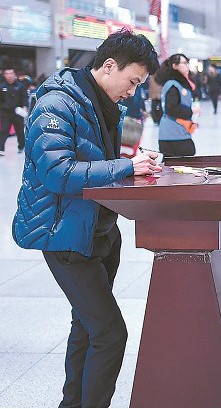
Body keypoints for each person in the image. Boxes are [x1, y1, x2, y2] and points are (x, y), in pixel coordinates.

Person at [12, 29, 160, 407]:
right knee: (110, 334)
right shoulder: (56, 104)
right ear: (109, 66)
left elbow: (102, 160)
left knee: (86, 327)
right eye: (132, 81)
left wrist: (132, 162)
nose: (133, 91)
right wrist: (124, 167)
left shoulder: (104, 105)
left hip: (100, 232)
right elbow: (58, 173)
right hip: (65, 234)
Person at [154, 53, 197, 156]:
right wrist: (191, 111)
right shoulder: (173, 85)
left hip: (177, 132)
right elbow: (171, 108)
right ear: (175, 66)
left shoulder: (179, 84)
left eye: (187, 63)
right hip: (173, 134)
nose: (187, 66)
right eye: (184, 63)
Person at [0, 66, 28, 155]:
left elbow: (24, 97)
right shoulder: (1, 86)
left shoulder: (20, 86)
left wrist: (25, 106)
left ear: (14, 74)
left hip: (17, 112)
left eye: (11, 73)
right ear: (4, 75)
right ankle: (1, 149)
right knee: (4, 130)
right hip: (5, 112)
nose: (9, 76)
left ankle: (21, 146)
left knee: (19, 131)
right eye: (7, 74)